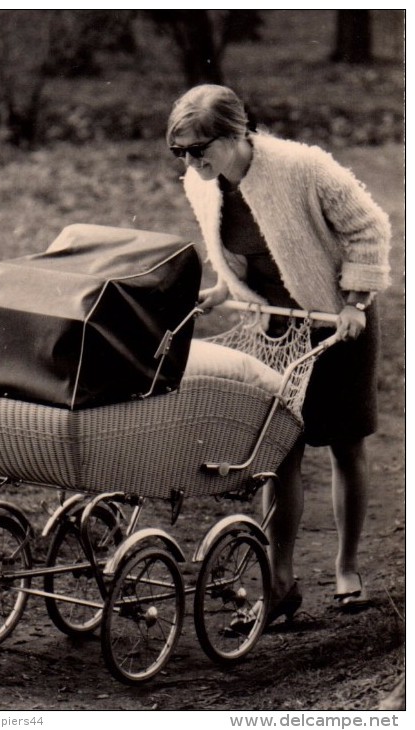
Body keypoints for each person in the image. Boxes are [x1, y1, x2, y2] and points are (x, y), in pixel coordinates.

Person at [166, 84, 391, 625]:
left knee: (342, 443)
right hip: (276, 326)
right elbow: (245, 252)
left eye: (201, 149)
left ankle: (348, 565)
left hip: (337, 321)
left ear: (236, 134)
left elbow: (370, 228)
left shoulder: (302, 167)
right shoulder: (207, 185)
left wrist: (356, 300)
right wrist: (226, 288)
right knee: (276, 455)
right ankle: (280, 581)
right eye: (182, 153)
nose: (193, 162)